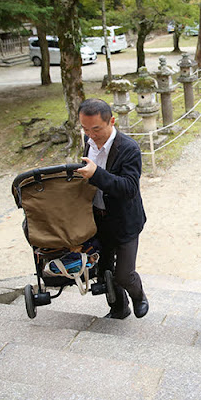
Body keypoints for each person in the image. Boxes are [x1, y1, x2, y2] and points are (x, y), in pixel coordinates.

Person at [76, 98, 149, 320]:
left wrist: (96, 174)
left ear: (112, 122)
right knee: (104, 270)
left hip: (125, 221)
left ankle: (139, 296)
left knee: (124, 274)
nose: (91, 134)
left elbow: (128, 187)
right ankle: (119, 307)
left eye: (96, 128)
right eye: (85, 129)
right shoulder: (88, 143)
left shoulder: (129, 148)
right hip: (98, 220)